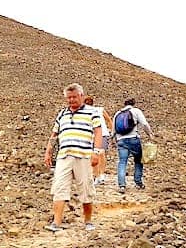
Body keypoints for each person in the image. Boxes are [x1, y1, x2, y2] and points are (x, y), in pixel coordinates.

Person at [43, 83, 103, 232]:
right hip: (64, 156)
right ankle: (56, 223)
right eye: (68, 98)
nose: (71, 100)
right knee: (59, 188)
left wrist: (96, 152)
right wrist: (48, 151)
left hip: (83, 156)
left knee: (85, 188)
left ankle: (88, 221)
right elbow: (54, 135)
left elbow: (98, 132)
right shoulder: (62, 114)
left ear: (81, 96)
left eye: (74, 97)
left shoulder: (92, 112)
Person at [112, 98, 155, 193]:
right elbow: (144, 124)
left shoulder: (117, 114)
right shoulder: (136, 111)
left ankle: (122, 185)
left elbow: (113, 130)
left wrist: (115, 140)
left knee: (122, 162)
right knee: (138, 160)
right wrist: (150, 134)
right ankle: (138, 182)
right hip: (133, 139)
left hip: (121, 141)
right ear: (133, 104)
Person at [83, 95, 112, 184]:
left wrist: (110, 130)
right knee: (98, 154)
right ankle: (98, 175)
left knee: (99, 154)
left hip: (100, 134)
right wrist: (111, 131)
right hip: (95, 135)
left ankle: (100, 175)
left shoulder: (99, 110)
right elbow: (109, 120)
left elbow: (109, 120)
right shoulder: (96, 110)